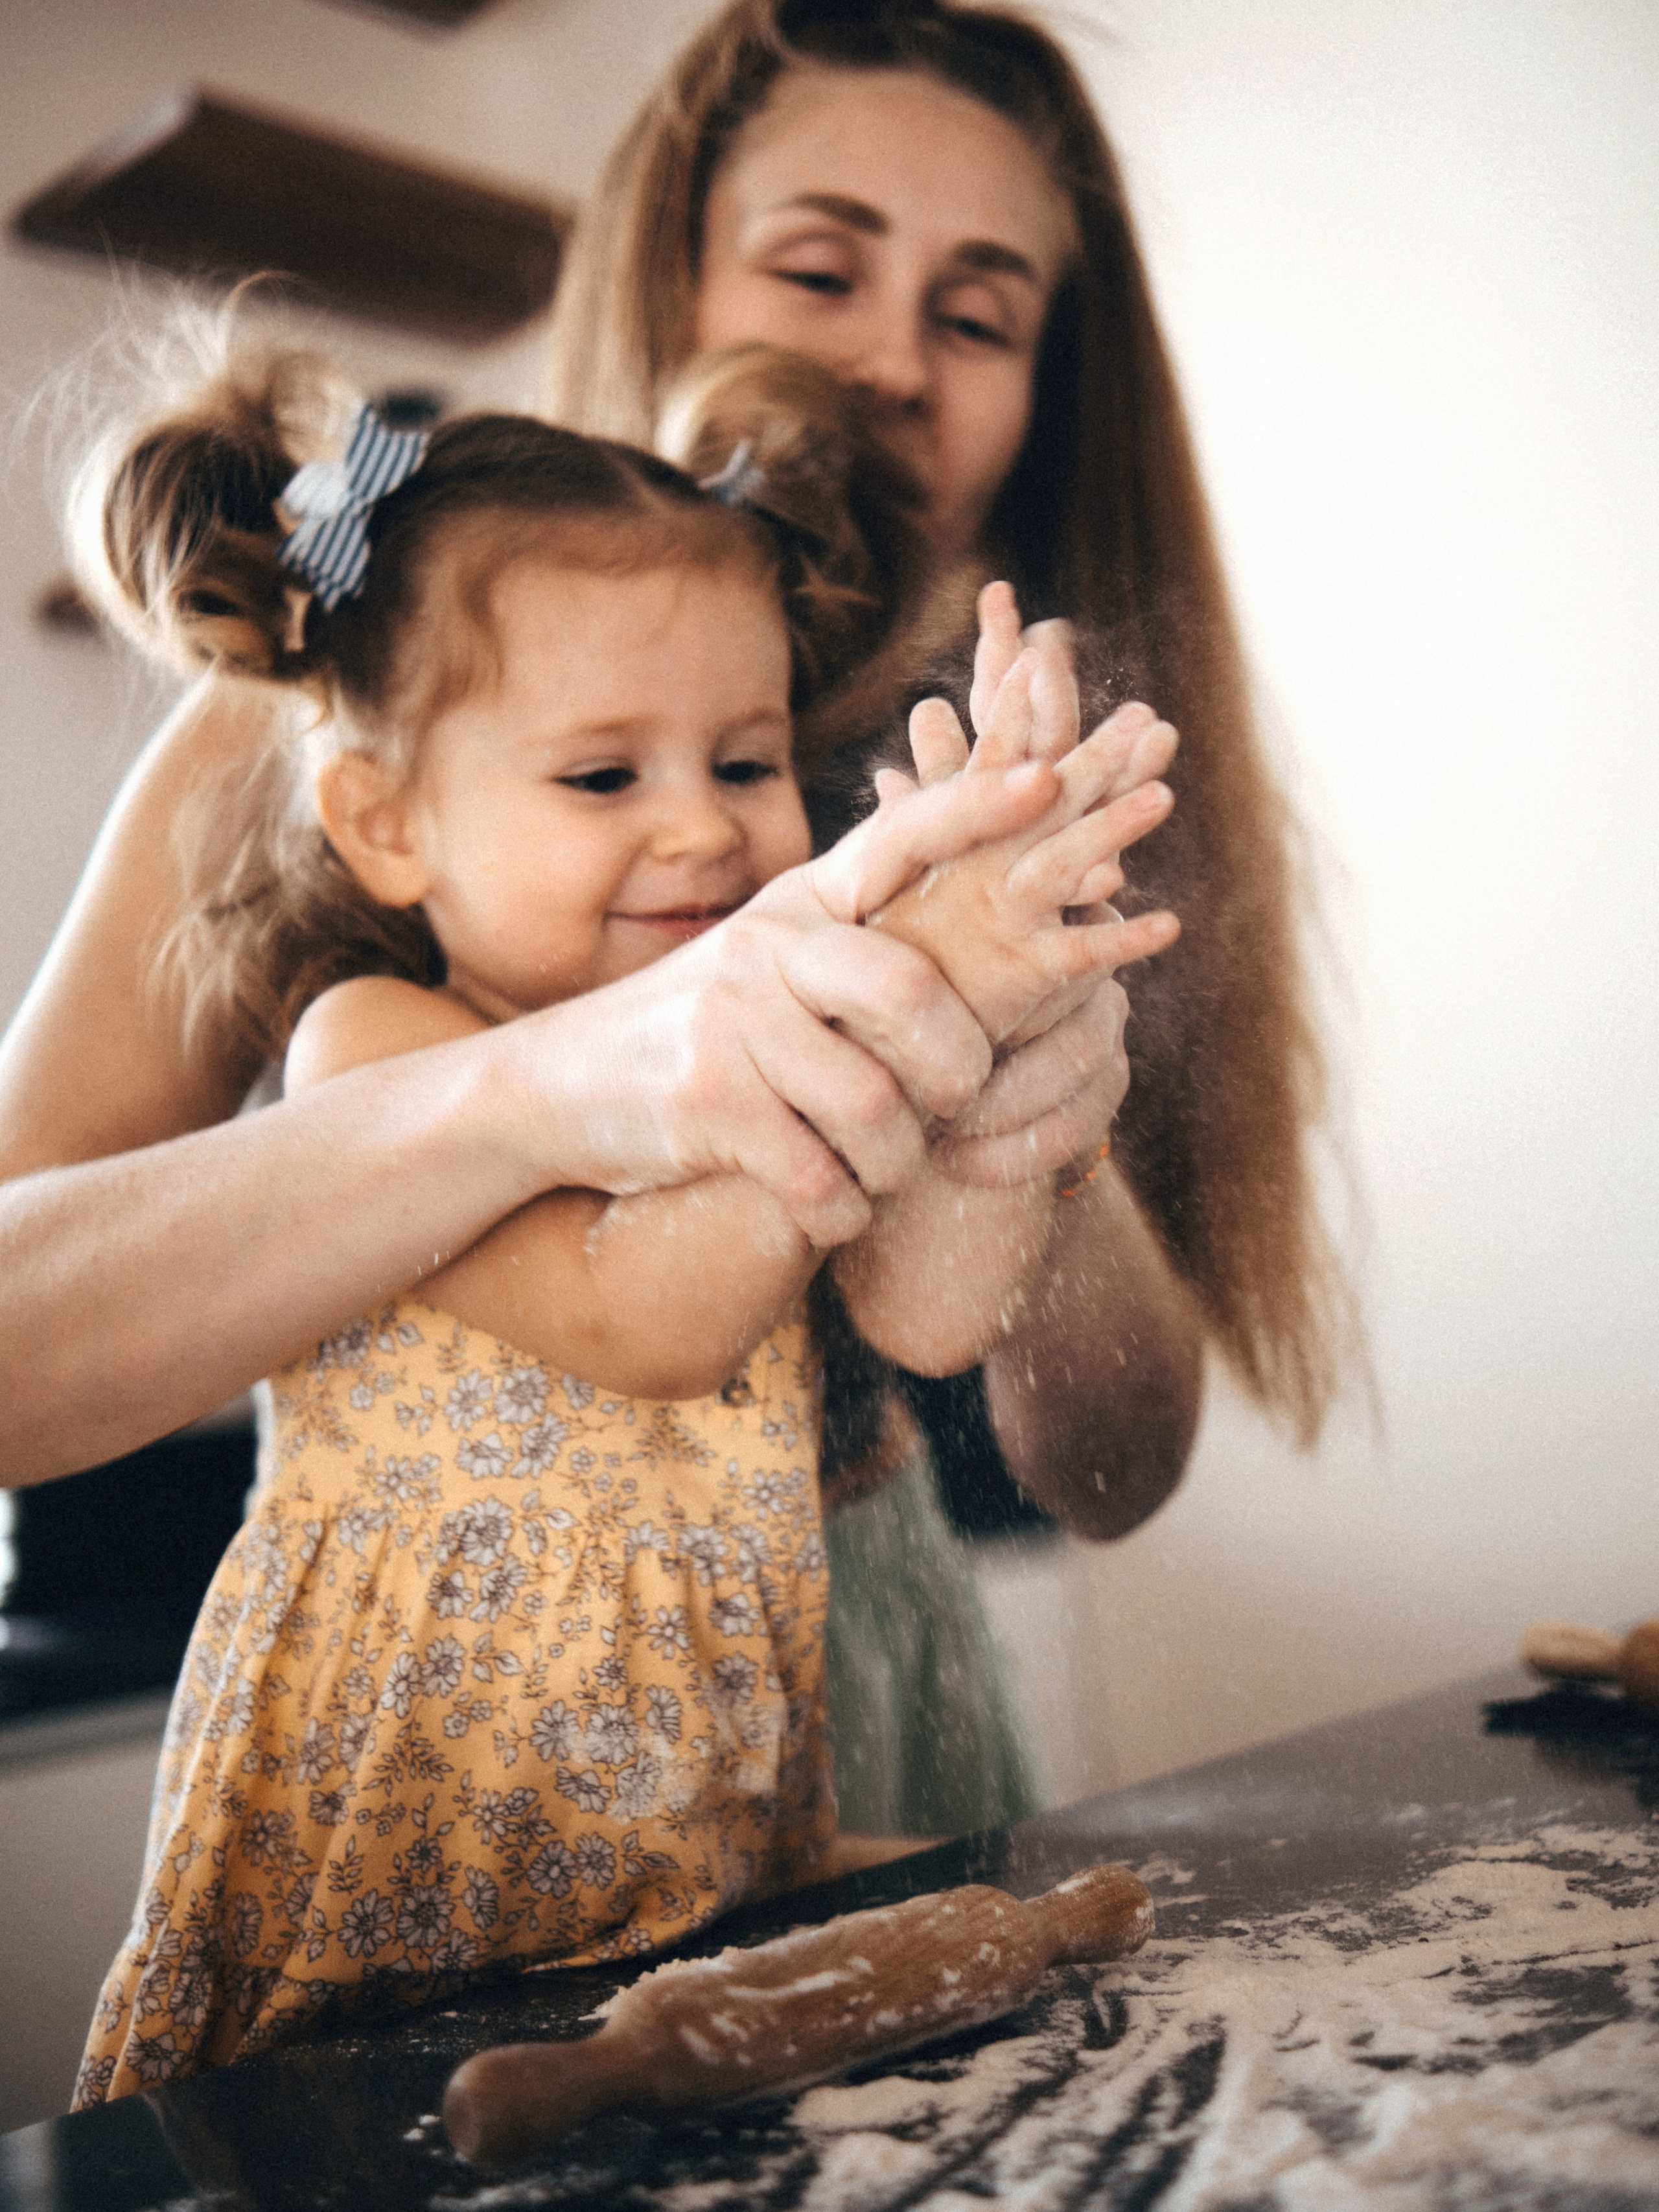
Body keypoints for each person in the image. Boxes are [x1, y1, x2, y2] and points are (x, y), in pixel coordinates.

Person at [0, 0, 1349, 1837]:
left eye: (977, 313)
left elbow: (1105, 1465)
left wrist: (1024, 1062)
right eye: (819, 268)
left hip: (828, 1688)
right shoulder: (348, 688)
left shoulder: (1000, 783)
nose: (892, 363)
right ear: (668, 276)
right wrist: (547, 1091)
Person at [69, 337, 1179, 2102]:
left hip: (695, 1856)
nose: (702, 831)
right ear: (387, 825)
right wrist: (921, 978)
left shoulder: (762, 1048)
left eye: (744, 763)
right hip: (402, 1896)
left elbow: (930, 1316)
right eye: (603, 780)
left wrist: (1003, 997)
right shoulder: (379, 1041)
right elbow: (645, 1313)